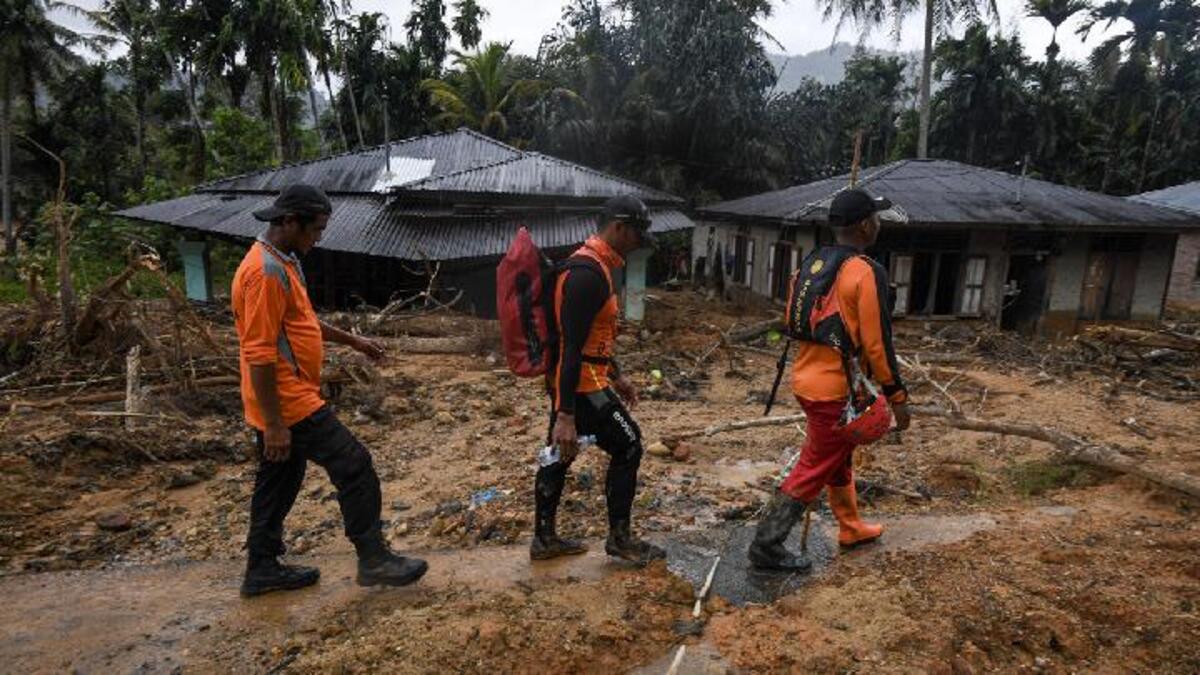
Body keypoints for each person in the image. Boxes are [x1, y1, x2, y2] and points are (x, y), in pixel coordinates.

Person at [233, 184, 428, 597]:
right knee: (353, 465)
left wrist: (353, 341)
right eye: (315, 229)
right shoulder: (264, 274)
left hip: (285, 397)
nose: (318, 237)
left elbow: (303, 321)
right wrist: (274, 423)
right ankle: (373, 558)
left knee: (280, 479)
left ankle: (262, 567)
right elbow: (259, 353)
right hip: (286, 400)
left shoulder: (282, 261)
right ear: (288, 222)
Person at [749, 188, 912, 572]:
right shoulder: (865, 271)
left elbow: (795, 322)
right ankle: (766, 544)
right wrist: (898, 397)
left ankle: (851, 526)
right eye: (875, 218)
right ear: (864, 225)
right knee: (816, 464)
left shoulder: (812, 263)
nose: (878, 224)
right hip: (836, 391)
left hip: (807, 380)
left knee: (837, 456)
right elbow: (877, 344)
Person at [531, 195, 667, 565]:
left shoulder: (597, 267)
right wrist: (565, 414)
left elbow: (595, 339)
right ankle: (619, 539)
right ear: (618, 227)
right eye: (636, 234)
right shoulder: (587, 275)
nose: (638, 242)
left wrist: (617, 376)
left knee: (558, 455)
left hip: (584, 379)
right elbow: (571, 347)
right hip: (581, 385)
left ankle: (544, 539)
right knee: (629, 446)